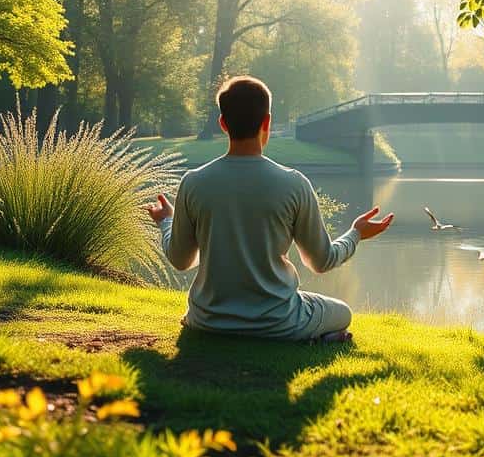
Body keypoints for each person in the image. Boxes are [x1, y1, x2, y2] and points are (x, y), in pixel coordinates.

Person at [144, 76, 393, 343]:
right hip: (277, 323)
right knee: (342, 312)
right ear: (267, 122)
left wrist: (166, 221)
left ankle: (310, 338)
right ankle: (313, 338)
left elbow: (182, 260)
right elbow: (320, 261)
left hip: (207, 321)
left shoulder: (194, 182)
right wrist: (356, 233)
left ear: (223, 123)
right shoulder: (294, 184)